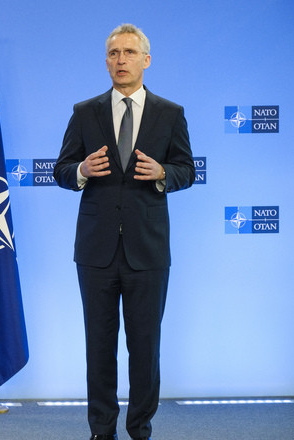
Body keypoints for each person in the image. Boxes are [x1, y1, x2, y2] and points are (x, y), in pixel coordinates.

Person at [53, 24, 194, 440]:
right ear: (106, 61)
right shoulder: (85, 112)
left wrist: (164, 173)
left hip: (147, 251)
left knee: (145, 347)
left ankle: (140, 429)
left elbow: (187, 170)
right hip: (95, 251)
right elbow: (61, 170)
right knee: (99, 347)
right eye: (114, 53)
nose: (121, 60)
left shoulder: (171, 113)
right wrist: (81, 170)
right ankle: (102, 430)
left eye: (129, 53)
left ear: (145, 60)